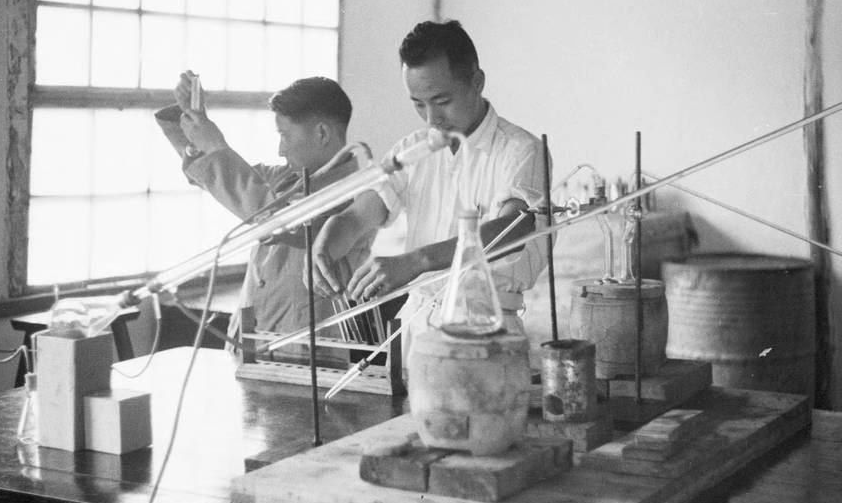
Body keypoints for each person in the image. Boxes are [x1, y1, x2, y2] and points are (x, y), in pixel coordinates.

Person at [312, 20, 550, 360]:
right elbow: (357, 216)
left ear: (477, 82)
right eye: (418, 104)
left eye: (442, 100)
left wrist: (417, 261)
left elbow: (513, 229)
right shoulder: (413, 150)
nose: (431, 118)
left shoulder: (520, 150)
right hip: (418, 329)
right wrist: (326, 245)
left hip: (486, 331)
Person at [155, 74, 380, 360]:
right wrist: (193, 123)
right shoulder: (284, 178)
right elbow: (216, 177)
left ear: (322, 133)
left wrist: (217, 147)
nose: (280, 149)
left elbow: (279, 219)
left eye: (285, 135)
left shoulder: (357, 191)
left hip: (306, 352)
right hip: (250, 340)